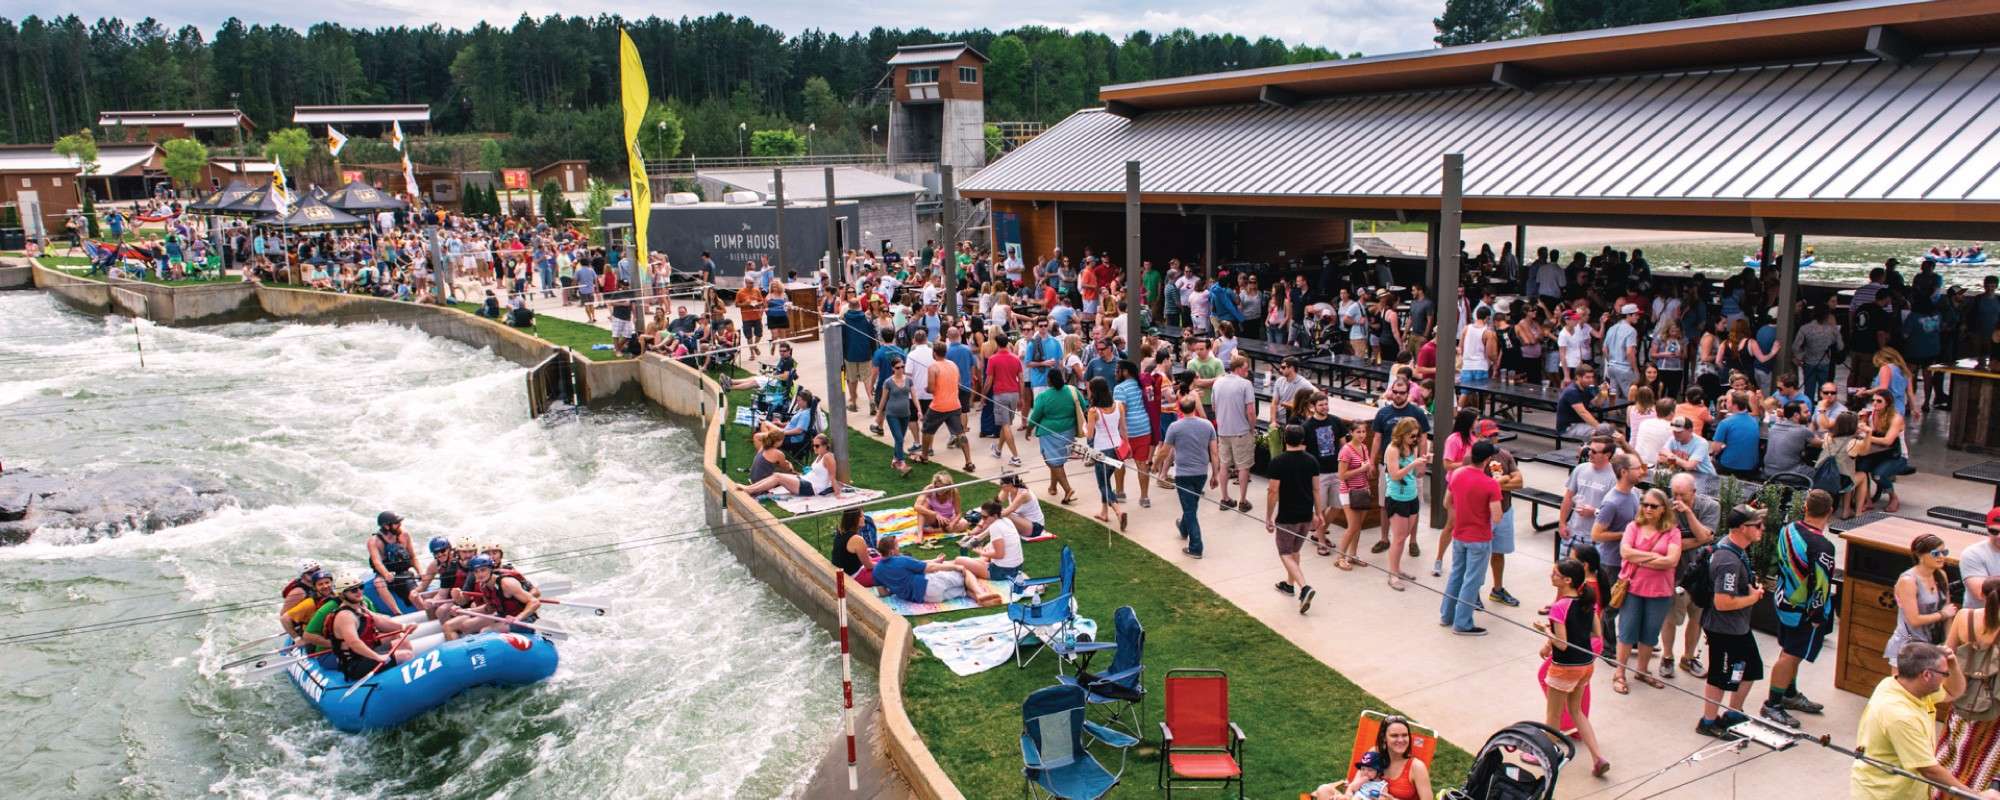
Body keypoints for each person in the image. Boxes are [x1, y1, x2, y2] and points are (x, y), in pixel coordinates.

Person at [1852, 642, 2000, 800]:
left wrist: (1953, 664)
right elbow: (1929, 770)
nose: (1946, 677)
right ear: (1927, 675)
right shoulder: (1900, 715)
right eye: (1945, 673)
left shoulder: (1904, 686)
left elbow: (1954, 691)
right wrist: (1975, 796)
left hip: (1907, 791)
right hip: (1884, 794)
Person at [1758, 488, 1837, 727]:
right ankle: (1773, 704)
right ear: (1830, 511)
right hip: (1803, 611)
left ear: (1805, 508)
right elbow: (1821, 585)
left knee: (1789, 650)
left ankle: (1789, 694)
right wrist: (1816, 616)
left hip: (1783, 601)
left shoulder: (1788, 529)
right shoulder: (1823, 546)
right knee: (1791, 655)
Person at [1697, 505, 1767, 739]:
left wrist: (1750, 590)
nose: (1762, 529)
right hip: (1724, 629)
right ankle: (1708, 721)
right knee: (1719, 674)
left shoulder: (1736, 549)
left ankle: (1733, 713)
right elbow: (1722, 602)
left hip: (1737, 627)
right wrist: (1752, 597)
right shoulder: (1728, 560)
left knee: (1751, 668)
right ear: (1741, 528)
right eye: (1757, 525)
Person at [1539, 559, 1612, 778]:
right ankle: (1598, 757)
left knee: (1553, 716)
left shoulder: (1560, 607)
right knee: (1577, 711)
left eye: (1556, 574)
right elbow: (1597, 633)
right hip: (1585, 665)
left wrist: (1545, 630)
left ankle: (1545, 758)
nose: (1552, 576)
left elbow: (1561, 644)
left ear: (1567, 580)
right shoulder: (1588, 601)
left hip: (1564, 667)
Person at [1613, 488, 1682, 695]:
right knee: (1627, 632)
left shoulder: (1673, 532)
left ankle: (1642, 670)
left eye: (1654, 505)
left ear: (1664, 509)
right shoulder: (1633, 527)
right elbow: (1624, 552)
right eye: (1645, 504)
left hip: (1660, 591)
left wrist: (1639, 557)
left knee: (1650, 634)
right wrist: (1655, 558)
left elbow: (1672, 560)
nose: (1648, 509)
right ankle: (1619, 673)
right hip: (1633, 588)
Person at [1935, 578, 2000, 795]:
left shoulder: (1965, 617)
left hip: (1962, 696)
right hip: (1994, 708)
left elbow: (1946, 654)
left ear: (1981, 595)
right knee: (1985, 761)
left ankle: (1943, 793)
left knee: (1953, 754)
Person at [1658, 474, 1718, 681]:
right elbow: (1663, 543)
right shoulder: (1665, 507)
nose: (1678, 499)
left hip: (1701, 575)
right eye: (1675, 494)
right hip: (1675, 575)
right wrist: (1698, 540)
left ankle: (1689, 657)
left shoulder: (1710, 507)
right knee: (1670, 618)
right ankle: (1667, 657)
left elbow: (1706, 536)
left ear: (1694, 492)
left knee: (1697, 618)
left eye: (1683, 495)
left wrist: (1689, 514)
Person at [1441, 441, 1503, 636]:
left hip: (1459, 533)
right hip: (1479, 537)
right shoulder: (1490, 484)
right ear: (1487, 460)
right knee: (1472, 580)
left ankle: (1446, 615)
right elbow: (1497, 516)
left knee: (1456, 574)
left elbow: (1446, 502)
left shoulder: (1458, 474)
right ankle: (1463, 623)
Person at [1264, 424, 1320, 614]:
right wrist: (1318, 514)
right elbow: (1316, 489)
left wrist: (1268, 516)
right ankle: (1289, 584)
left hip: (1287, 516)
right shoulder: (1311, 461)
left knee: (1285, 553)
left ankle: (1304, 587)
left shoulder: (1278, 462)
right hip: (1306, 515)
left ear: (1284, 439)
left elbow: (1273, 492)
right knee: (1294, 551)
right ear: (1302, 440)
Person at [1156, 395, 1220, 559]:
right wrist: (1215, 474)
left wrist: (1156, 464)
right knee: (1191, 505)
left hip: (1183, 474)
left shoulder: (1174, 427)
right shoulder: (1207, 426)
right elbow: (1214, 452)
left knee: (1190, 509)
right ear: (1195, 408)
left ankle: (1196, 547)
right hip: (1201, 473)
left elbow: (1165, 450)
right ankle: (1184, 528)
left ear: (1179, 409)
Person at [327, 570, 417, 681]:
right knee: (406, 655)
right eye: (354, 590)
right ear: (341, 595)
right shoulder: (345, 616)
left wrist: (403, 627)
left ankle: (395, 676)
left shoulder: (359, 607)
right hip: (354, 664)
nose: (359, 592)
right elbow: (354, 643)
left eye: (361, 587)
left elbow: (380, 622)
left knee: (401, 639)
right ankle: (403, 681)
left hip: (366, 653)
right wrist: (378, 657)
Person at [1885, 533, 1956, 668]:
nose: (1942, 557)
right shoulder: (1908, 581)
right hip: (1909, 645)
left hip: (1934, 643)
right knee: (1903, 687)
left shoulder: (1941, 575)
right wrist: (1942, 614)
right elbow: (1914, 620)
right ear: (1920, 556)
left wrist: (1948, 643)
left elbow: (1949, 613)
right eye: (1936, 553)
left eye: (1944, 552)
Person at [869, 535, 1003, 606]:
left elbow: (884, 593)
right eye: (897, 546)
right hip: (929, 585)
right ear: (892, 551)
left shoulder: (877, 570)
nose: (899, 548)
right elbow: (931, 569)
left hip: (925, 599)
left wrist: (896, 587)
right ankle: (980, 594)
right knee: (966, 571)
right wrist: (955, 567)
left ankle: (977, 599)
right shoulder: (901, 560)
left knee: (964, 590)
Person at [447, 554, 542, 639]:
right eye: (476, 571)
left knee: (486, 631)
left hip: (525, 620)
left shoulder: (506, 583)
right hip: (504, 616)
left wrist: (518, 618)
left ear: (491, 569)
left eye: (483, 570)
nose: (480, 574)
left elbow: (535, 602)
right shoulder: (483, 585)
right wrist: (465, 611)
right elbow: (489, 609)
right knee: (467, 626)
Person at [1026, 368, 1083, 505]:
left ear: (1049, 380)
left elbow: (1035, 416)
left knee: (1052, 461)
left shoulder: (1044, 396)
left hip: (1049, 432)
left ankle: (1068, 489)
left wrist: (1029, 430)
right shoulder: (1072, 390)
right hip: (1069, 430)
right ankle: (1053, 486)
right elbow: (1083, 405)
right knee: (1057, 460)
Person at [1382, 417, 1426, 592]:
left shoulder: (1412, 447)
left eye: (1416, 436)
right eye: (1411, 436)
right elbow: (1394, 475)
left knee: (1405, 535)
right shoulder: (1393, 449)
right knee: (1399, 538)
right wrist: (1413, 464)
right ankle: (1392, 573)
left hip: (1411, 495)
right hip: (1397, 497)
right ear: (1402, 434)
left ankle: (1397, 568)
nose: (1414, 439)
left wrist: (1421, 463)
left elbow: (1414, 473)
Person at [918, 341, 976, 471]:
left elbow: (931, 389)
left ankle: (924, 455)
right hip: (955, 405)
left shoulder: (933, 367)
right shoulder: (953, 365)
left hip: (938, 406)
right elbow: (959, 383)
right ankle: (969, 462)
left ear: (934, 353)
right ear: (945, 352)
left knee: (926, 430)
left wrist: (926, 388)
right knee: (960, 433)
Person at [1211, 355, 1258, 513]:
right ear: (1238, 369)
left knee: (1224, 465)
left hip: (1223, 431)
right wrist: (1252, 427)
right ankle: (1243, 501)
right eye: (1246, 369)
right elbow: (1250, 411)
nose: (1247, 372)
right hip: (1241, 431)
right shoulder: (1246, 384)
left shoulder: (1218, 383)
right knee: (1243, 466)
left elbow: (1214, 406)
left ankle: (1224, 498)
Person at [1083, 376, 1129, 530]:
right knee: (1107, 481)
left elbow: (1089, 435)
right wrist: (1127, 444)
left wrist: (1084, 428)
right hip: (1118, 448)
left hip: (1102, 451)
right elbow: (1123, 428)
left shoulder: (1093, 411)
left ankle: (1118, 511)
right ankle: (1104, 512)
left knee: (1103, 484)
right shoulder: (1119, 405)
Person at [1853, 393, 1909, 514]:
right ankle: (1867, 500)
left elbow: (1888, 441)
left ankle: (1893, 497)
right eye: (1873, 400)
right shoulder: (1870, 414)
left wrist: (1867, 436)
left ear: (1887, 403)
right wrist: (1861, 421)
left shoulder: (1896, 418)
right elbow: (1859, 433)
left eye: (1879, 401)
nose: (1874, 403)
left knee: (1878, 475)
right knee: (1860, 467)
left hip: (1896, 455)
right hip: (1876, 453)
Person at [744, 434, 842, 498]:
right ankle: (751, 488)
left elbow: (832, 477)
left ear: (825, 446)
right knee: (775, 475)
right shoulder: (820, 455)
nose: (814, 448)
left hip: (811, 488)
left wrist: (838, 495)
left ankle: (750, 490)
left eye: (817, 446)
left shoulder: (828, 457)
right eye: (813, 445)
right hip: (805, 480)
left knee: (778, 477)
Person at [1335, 425, 1376, 571]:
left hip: (1362, 491)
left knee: (1358, 526)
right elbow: (1341, 475)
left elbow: (1366, 470)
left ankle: (1352, 555)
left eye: (1364, 431)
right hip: (1348, 492)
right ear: (1351, 433)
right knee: (1352, 526)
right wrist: (1362, 469)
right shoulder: (1346, 450)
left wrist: (1368, 470)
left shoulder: (1364, 448)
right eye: (1358, 432)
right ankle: (1340, 557)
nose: (1362, 434)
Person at [954, 500, 1026, 582]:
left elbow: (999, 555)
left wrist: (982, 553)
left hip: (1002, 572)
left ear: (995, 516)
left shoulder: (995, 527)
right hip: (1017, 568)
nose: (982, 519)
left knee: (959, 560)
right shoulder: (1006, 520)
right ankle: (981, 561)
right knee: (989, 545)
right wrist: (976, 539)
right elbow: (986, 533)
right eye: (981, 516)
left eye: (985, 517)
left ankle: (981, 561)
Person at [985, 332, 1025, 468]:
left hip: (1000, 395)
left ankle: (1016, 457)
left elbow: (989, 381)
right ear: (1007, 343)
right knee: (1005, 424)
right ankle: (998, 450)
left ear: (996, 344)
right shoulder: (1015, 359)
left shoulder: (992, 359)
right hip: (1014, 394)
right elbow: (1021, 380)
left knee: (1006, 425)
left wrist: (983, 397)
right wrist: (1021, 397)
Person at [367, 511, 418, 613]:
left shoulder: (404, 535)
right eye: (396, 523)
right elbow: (377, 562)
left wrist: (421, 572)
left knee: (413, 592)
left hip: (402, 571)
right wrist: (386, 574)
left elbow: (413, 557)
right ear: (386, 526)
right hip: (386, 573)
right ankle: (397, 612)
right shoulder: (374, 541)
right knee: (378, 582)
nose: (400, 525)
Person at [1712, 391, 1762, 479]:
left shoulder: (1725, 423)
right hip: (1751, 466)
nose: (1725, 403)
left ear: (1734, 405)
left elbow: (1715, 448)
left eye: (1727, 401)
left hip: (1730, 466)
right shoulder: (1754, 421)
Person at [1556, 365, 1606, 440]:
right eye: (1587, 377)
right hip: (1568, 428)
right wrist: (1599, 427)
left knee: (1610, 429)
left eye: (1592, 377)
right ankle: (1590, 450)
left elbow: (1597, 403)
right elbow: (1583, 413)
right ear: (1578, 377)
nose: (1591, 380)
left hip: (1581, 424)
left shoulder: (1586, 387)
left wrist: (1602, 392)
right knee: (1602, 433)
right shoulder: (1572, 391)